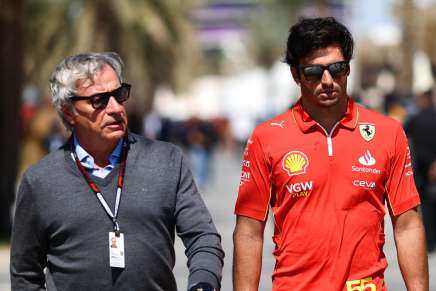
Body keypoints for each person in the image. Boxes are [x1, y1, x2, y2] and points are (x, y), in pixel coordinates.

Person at [233, 17, 428, 291]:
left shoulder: (388, 132)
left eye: (337, 69)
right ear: (295, 74)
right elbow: (249, 232)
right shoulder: (266, 137)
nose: (327, 81)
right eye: (313, 72)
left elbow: (407, 225)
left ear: (348, 69)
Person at [10, 52, 224, 291]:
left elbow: (203, 238)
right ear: (68, 110)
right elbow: (25, 276)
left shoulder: (166, 161)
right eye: (99, 100)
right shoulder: (40, 181)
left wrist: (203, 283)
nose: (114, 108)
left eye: (119, 95)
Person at [404, 89, 436, 252]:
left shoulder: (415, 119)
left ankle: (430, 242)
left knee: (427, 208)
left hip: (423, 171)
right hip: (428, 169)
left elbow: (401, 135)